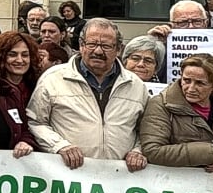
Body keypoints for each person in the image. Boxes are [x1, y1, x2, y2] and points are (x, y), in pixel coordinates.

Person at [26, 18, 149, 170]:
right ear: (81, 45)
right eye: (92, 44)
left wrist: (137, 151)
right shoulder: (53, 78)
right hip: (67, 178)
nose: (98, 51)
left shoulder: (136, 85)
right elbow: (35, 122)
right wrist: (59, 146)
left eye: (106, 46)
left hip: (120, 179)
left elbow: (146, 130)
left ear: (119, 49)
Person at [139, 53, 213, 175]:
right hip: (172, 184)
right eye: (187, 80)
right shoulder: (161, 104)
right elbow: (152, 151)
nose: (191, 88)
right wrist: (206, 153)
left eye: (200, 83)